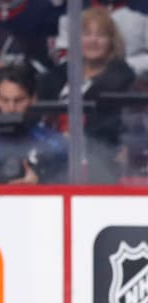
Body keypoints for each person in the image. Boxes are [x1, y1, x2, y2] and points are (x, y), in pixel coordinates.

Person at [40, 5, 137, 184]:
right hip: (52, 155)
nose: (93, 41)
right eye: (86, 34)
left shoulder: (124, 79)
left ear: (111, 42)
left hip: (99, 157)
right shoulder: (57, 75)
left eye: (101, 35)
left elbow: (118, 127)